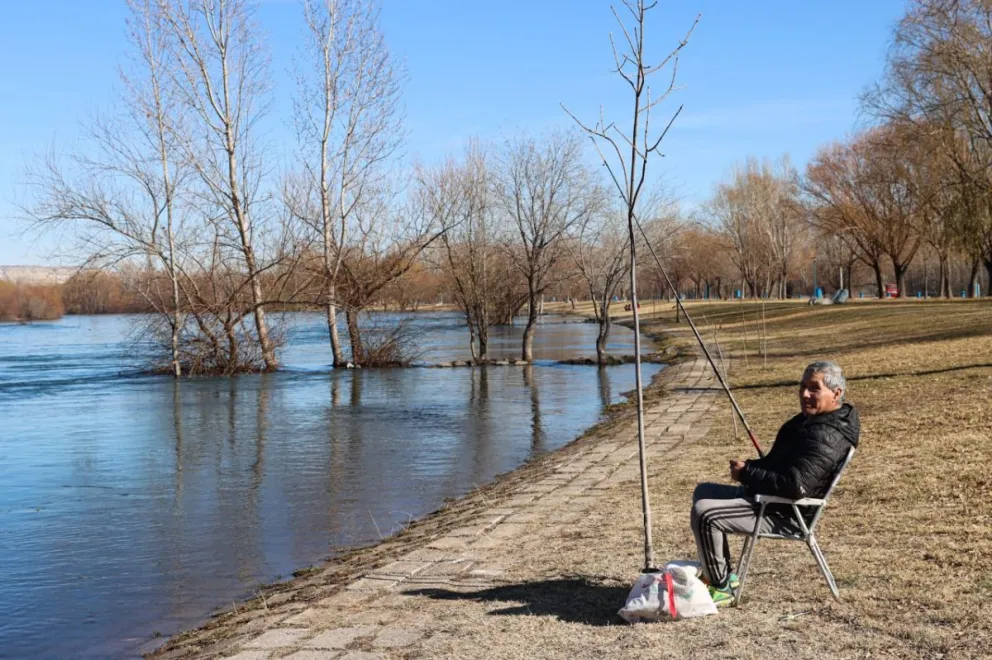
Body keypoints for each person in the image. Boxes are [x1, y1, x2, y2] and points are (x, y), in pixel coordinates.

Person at [690, 360, 860, 606]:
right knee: (703, 491)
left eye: (814, 388)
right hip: (772, 500)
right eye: (802, 387)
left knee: (704, 513)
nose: (804, 394)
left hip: (786, 513)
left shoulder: (827, 435)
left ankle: (721, 586)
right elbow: (776, 465)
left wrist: (748, 473)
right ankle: (722, 574)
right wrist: (749, 467)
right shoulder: (809, 422)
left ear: (836, 393)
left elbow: (795, 486)